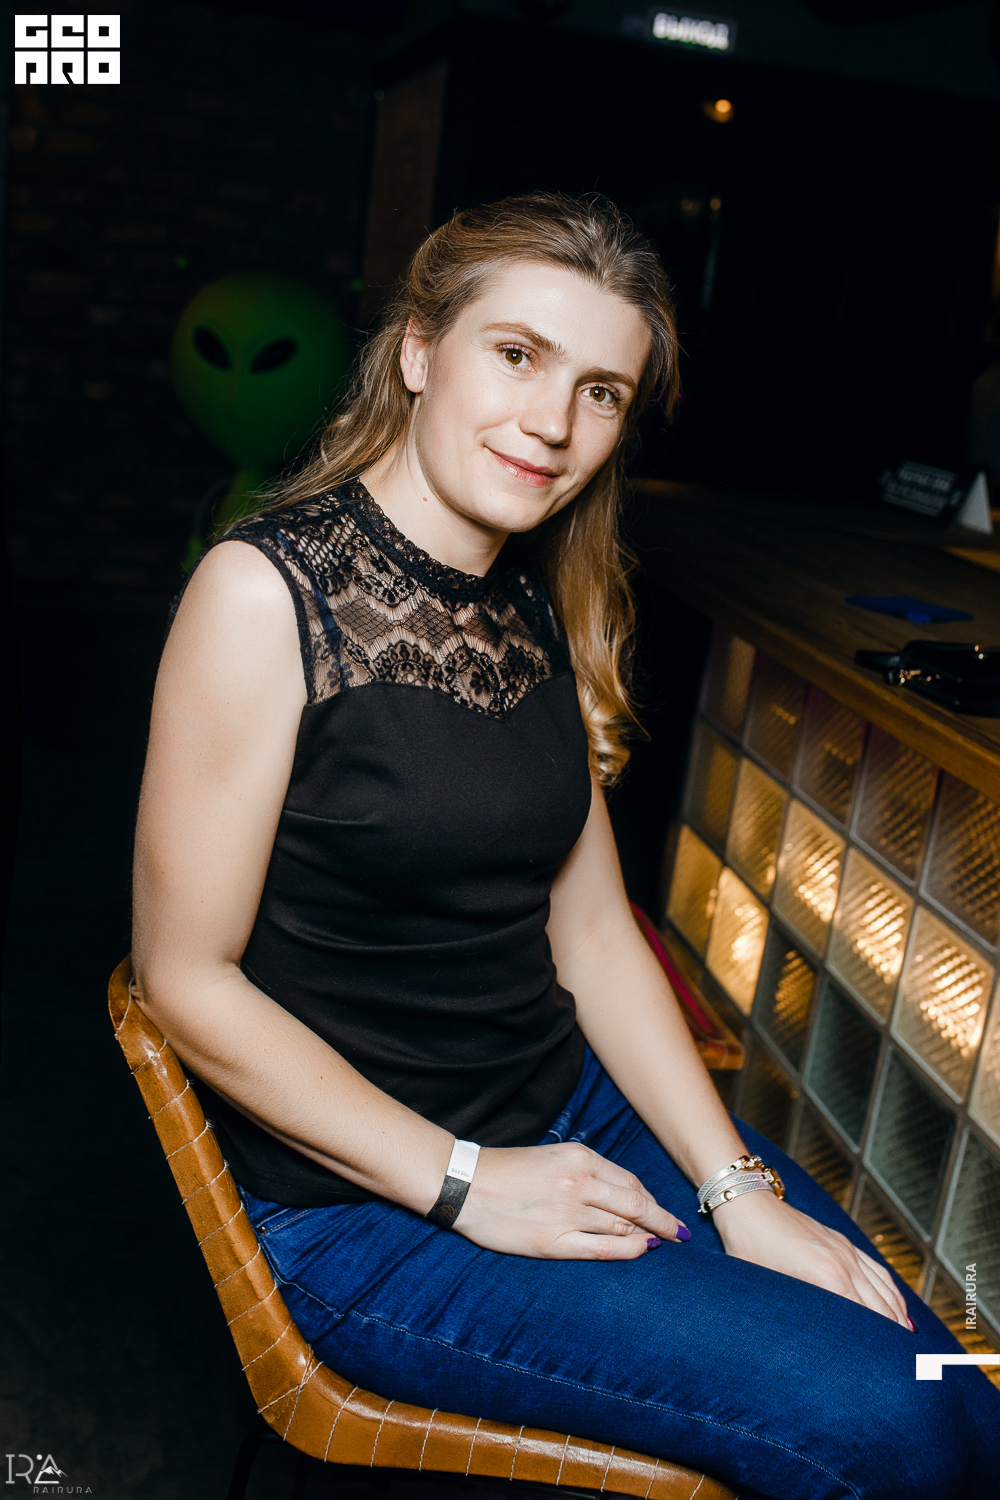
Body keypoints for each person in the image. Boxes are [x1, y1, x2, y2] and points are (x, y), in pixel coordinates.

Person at [132, 194, 998, 1500]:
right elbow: (184, 979)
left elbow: (591, 933)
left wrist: (738, 1189)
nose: (552, 424)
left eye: (601, 392)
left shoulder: (529, 603)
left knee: (950, 1378)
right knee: (900, 1429)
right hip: (374, 1204)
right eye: (517, 356)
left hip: (573, 1114)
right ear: (418, 349)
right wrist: (468, 1183)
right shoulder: (264, 595)